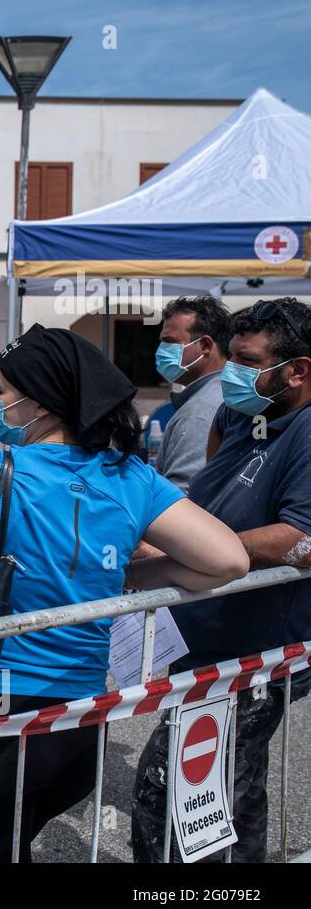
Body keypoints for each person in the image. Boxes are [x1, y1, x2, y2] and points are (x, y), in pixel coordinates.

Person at [0, 324, 249, 863]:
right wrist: (129, 577)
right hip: (79, 725)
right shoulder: (131, 476)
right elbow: (227, 561)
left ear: (37, 403)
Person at [132, 298, 311, 863]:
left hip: (257, 648)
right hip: (205, 632)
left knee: (174, 788)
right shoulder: (238, 412)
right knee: (238, 787)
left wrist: (211, 552)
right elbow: (210, 484)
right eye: (231, 357)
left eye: (248, 360)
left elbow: (300, 538)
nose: (233, 372)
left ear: (299, 369)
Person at [152, 295, 231, 490]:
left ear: (205, 345)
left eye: (170, 342)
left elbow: (182, 495)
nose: (161, 351)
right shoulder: (220, 394)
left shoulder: (199, 412)